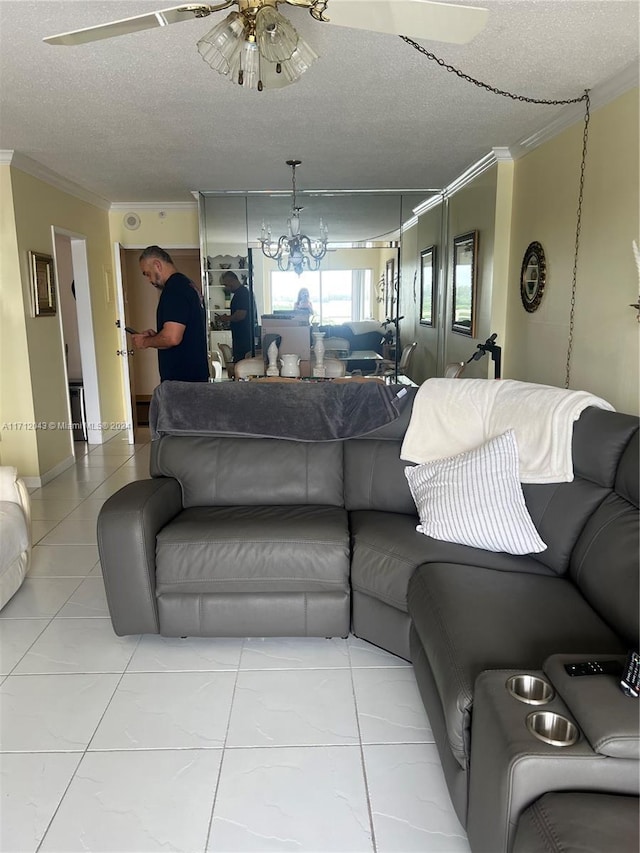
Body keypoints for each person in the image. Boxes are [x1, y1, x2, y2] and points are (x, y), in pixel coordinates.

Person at [132, 246, 209, 382]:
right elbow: (181, 332)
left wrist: (145, 342)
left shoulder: (174, 290)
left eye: (147, 273)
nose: (149, 280)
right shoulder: (187, 285)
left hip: (181, 382)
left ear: (157, 265)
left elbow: (172, 338)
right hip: (194, 377)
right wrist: (156, 337)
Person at [216, 271, 257, 362]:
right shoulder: (242, 293)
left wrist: (226, 318)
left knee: (241, 364)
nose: (226, 287)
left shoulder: (242, 294)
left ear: (232, 281)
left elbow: (241, 315)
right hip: (243, 337)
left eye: (226, 284)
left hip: (243, 338)